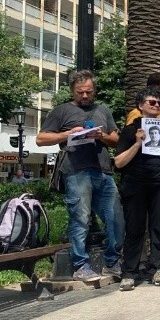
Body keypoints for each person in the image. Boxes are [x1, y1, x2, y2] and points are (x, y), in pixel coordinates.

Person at [36, 70, 123, 282]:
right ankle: (80, 265)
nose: (85, 96)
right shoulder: (61, 111)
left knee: (117, 219)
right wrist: (68, 134)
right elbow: (40, 139)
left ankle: (112, 262)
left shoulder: (103, 110)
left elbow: (116, 139)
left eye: (89, 92)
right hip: (76, 172)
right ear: (72, 91)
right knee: (80, 218)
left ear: (95, 91)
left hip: (103, 171)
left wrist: (101, 135)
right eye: (80, 92)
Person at [114, 88, 160, 291]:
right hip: (135, 185)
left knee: (159, 228)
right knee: (134, 230)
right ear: (140, 106)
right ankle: (129, 272)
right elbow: (119, 163)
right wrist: (138, 144)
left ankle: (158, 267)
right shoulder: (131, 130)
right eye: (151, 102)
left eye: (159, 103)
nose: (156, 106)